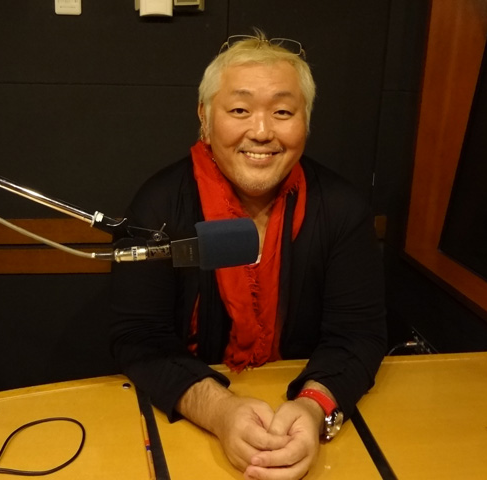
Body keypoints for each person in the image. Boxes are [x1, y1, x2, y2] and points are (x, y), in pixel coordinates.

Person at [110, 31, 386, 480]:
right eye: (239, 110)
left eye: (283, 112)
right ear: (204, 117)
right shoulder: (159, 205)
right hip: (193, 420)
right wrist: (219, 412)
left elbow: (358, 335)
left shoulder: (341, 208)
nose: (261, 132)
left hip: (297, 409)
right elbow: (137, 335)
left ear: (306, 121)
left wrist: (314, 407)